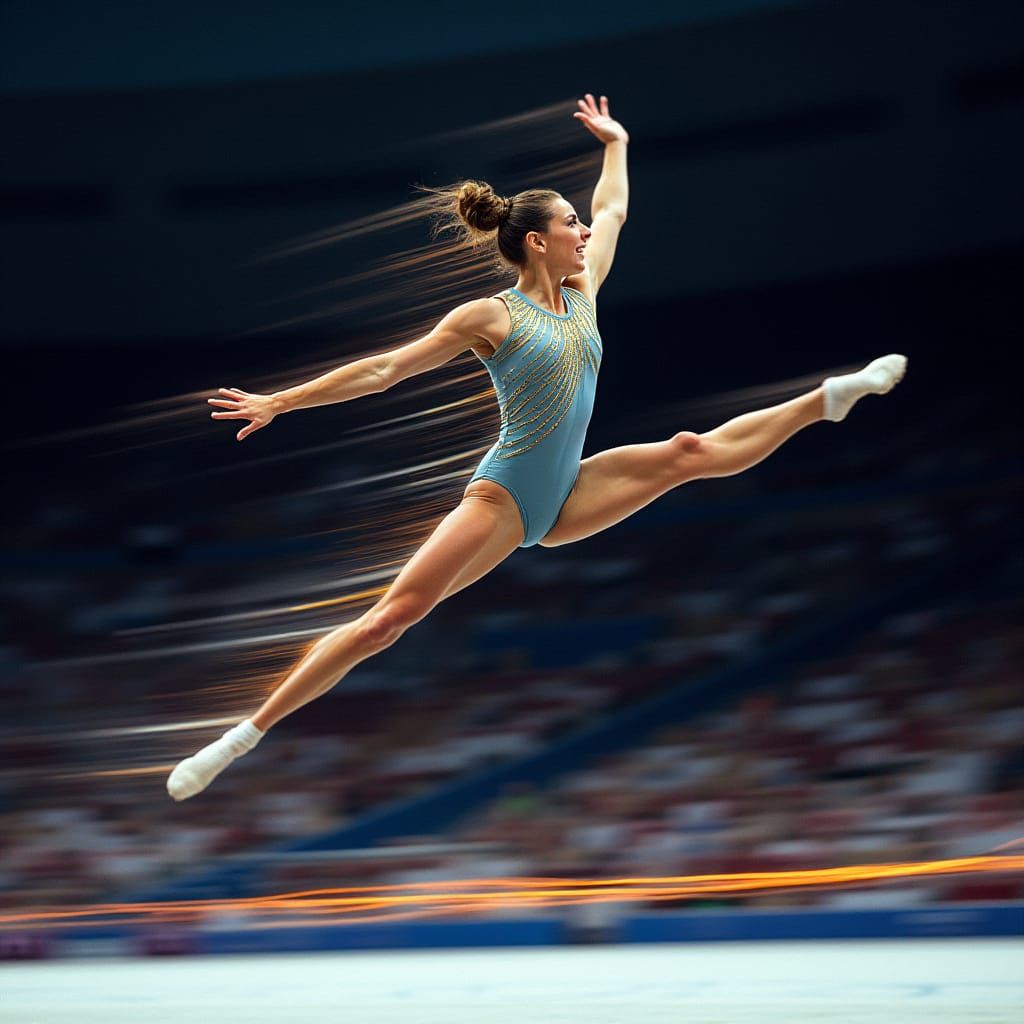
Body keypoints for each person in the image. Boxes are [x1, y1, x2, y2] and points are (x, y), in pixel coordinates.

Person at [167, 94, 906, 801]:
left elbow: (615, 208)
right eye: (570, 224)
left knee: (687, 450)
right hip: (507, 497)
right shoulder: (493, 315)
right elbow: (386, 368)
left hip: (569, 495)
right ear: (535, 240)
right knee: (387, 622)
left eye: (580, 225)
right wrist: (282, 400)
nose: (583, 231)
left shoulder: (583, 291)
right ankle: (240, 736)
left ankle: (827, 400)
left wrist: (617, 147)